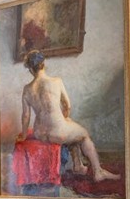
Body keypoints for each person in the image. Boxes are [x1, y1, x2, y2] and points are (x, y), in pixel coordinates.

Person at [16, 50, 119, 182]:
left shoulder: (27, 88)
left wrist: (24, 135)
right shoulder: (56, 81)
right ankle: (98, 172)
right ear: (44, 64)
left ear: (30, 69)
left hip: (40, 133)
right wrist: (64, 119)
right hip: (57, 132)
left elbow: (25, 116)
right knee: (83, 134)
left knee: (71, 129)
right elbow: (67, 105)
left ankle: (78, 166)